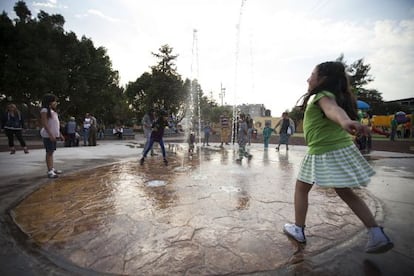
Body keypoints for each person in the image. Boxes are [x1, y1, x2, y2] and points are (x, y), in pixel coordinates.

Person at [282, 61, 393, 254]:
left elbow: (332, 110)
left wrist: (344, 121)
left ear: (322, 79)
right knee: (345, 191)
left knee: (301, 188)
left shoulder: (322, 96)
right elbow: (335, 109)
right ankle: (376, 233)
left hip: (324, 150)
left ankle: (298, 229)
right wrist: (346, 120)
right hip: (335, 148)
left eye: (312, 74)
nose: (308, 78)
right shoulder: (335, 96)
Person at [40, 93, 64, 178]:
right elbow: (45, 123)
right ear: (49, 102)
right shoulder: (44, 110)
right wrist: (50, 134)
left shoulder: (53, 111)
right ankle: (50, 170)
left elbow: (55, 124)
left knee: (51, 152)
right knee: (49, 152)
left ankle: (52, 168)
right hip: (48, 135)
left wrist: (59, 134)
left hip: (53, 134)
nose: (56, 103)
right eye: (54, 101)